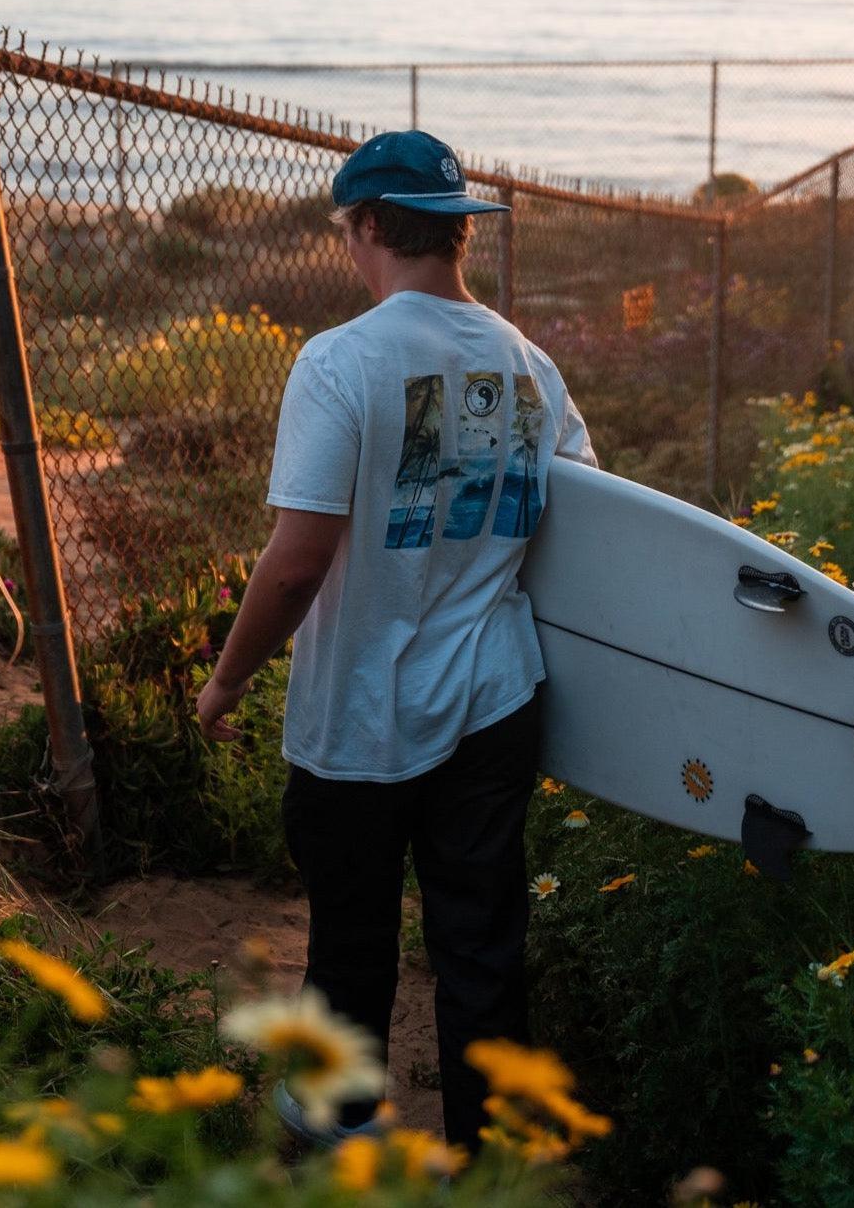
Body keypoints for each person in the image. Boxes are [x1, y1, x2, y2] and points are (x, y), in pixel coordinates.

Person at [196, 129, 596, 1155]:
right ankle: (491, 1164)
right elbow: (591, 526)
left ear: (370, 225)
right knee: (480, 948)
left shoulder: (341, 362)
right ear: (458, 230)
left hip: (361, 712)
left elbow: (296, 560)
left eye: (346, 232)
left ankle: (333, 1152)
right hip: (498, 701)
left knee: (351, 945)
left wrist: (228, 679)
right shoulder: (530, 365)